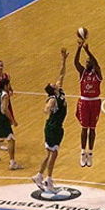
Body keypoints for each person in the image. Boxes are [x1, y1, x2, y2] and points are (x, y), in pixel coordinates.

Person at [31, 48, 69, 193]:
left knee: (49, 154)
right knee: (54, 154)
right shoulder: (53, 99)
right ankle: (49, 179)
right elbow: (46, 107)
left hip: (55, 127)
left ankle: (39, 176)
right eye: (53, 85)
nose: (56, 83)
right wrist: (47, 108)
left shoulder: (60, 91)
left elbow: (61, 73)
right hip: (53, 127)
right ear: (52, 90)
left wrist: (63, 59)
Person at [73, 41, 102, 167]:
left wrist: (88, 51)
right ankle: (82, 152)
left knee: (93, 129)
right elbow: (75, 63)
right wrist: (79, 48)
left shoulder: (98, 73)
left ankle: (90, 153)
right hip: (84, 101)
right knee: (84, 129)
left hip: (95, 101)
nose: (87, 62)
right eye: (86, 61)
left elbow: (97, 64)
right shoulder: (82, 72)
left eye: (89, 61)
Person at [0, 77, 23, 169]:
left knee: (1, 137)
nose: (9, 86)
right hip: (2, 119)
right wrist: (13, 120)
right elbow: (4, 109)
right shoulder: (5, 95)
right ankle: (12, 163)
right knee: (11, 139)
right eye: (8, 85)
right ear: (5, 85)